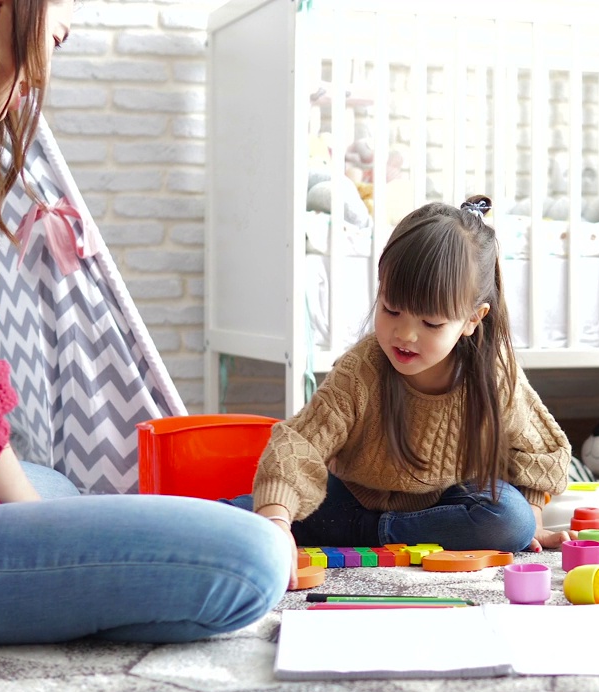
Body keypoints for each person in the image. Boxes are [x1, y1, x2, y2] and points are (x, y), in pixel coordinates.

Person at [0, 0, 292, 645]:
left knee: (53, 481)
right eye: (57, 20)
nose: (56, 43)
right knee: (255, 561)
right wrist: (42, 531)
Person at [241, 196, 572, 587]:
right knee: (250, 518)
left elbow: (544, 453)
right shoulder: (361, 370)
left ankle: (368, 532)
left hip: (446, 503)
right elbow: (300, 443)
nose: (405, 335)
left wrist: (532, 515)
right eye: (391, 309)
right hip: (350, 498)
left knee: (510, 521)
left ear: (471, 320)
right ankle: (340, 528)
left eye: (431, 323)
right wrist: (277, 518)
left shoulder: (493, 374)